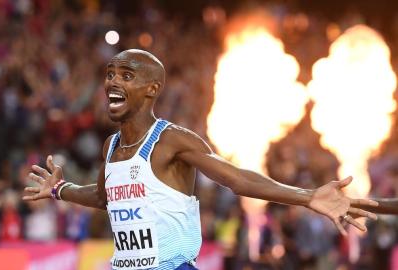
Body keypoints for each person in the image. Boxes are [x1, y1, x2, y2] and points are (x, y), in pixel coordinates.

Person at [23, 49, 378, 270]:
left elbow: (236, 178)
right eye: (111, 74)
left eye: (126, 75)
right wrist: (61, 190)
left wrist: (307, 196)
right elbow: (104, 197)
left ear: (152, 89)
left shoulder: (172, 140)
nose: (113, 81)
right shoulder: (111, 146)